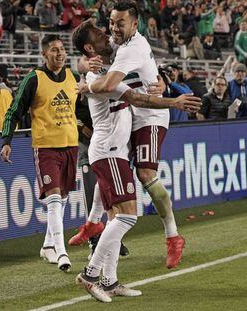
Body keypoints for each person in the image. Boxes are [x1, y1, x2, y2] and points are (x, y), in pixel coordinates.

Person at [72, 20, 200, 302]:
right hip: (110, 150)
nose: (108, 31)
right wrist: (174, 102)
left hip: (111, 149)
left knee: (117, 215)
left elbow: (133, 71)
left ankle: (110, 279)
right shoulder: (100, 78)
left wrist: (85, 72)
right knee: (129, 214)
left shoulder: (114, 58)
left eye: (113, 25)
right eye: (102, 31)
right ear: (90, 47)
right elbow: (134, 98)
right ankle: (91, 274)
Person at [0, 35, 81, 272]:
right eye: (54, 50)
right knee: (54, 197)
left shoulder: (72, 77)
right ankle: (61, 251)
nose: (60, 53)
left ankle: (47, 245)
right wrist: (7, 140)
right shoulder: (33, 79)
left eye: (62, 49)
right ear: (44, 54)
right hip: (46, 147)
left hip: (71, 145)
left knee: (63, 198)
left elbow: (81, 108)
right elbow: (14, 111)